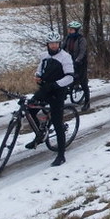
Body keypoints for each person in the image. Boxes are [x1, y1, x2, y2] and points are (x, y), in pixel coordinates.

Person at [26, 30, 74, 166]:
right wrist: (38, 76)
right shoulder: (44, 55)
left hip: (58, 91)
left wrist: (55, 85)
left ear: (59, 43)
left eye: (56, 43)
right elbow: (39, 69)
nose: (54, 46)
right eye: (51, 43)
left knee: (57, 123)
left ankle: (61, 155)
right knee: (30, 109)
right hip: (45, 89)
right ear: (47, 44)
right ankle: (39, 136)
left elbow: (70, 76)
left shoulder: (65, 57)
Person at [61, 21, 90, 111]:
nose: (69, 31)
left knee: (83, 82)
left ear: (76, 30)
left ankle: (87, 102)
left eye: (71, 30)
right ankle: (62, 96)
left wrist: (78, 60)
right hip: (70, 61)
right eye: (69, 29)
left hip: (80, 63)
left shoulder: (81, 39)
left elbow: (82, 51)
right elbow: (62, 48)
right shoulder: (68, 38)